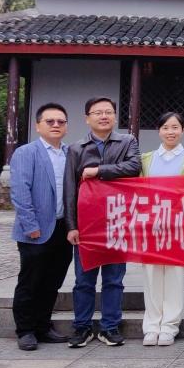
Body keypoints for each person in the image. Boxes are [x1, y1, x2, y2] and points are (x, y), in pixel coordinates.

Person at [64, 96, 142, 347]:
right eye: (98, 112)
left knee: (114, 280)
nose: (104, 116)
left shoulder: (127, 141)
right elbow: (69, 189)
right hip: (87, 224)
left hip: (117, 220)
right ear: (87, 118)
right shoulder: (76, 149)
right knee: (83, 281)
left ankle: (110, 326)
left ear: (115, 117)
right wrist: (71, 226)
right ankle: (82, 327)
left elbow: (134, 167)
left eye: (108, 112)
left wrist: (99, 171)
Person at [8, 103, 74, 351]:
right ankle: (25, 330)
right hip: (35, 230)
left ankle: (43, 326)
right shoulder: (26, 153)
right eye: (50, 121)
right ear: (38, 126)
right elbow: (20, 191)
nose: (56, 125)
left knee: (52, 281)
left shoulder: (70, 153)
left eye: (61, 121)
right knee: (30, 281)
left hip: (63, 228)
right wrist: (30, 225)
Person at [139, 112, 184, 346]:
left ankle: (170, 325)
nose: (170, 132)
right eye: (165, 127)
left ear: (183, 130)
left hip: (177, 225)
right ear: (159, 131)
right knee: (151, 276)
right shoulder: (146, 159)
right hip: (151, 225)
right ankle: (152, 325)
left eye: (175, 127)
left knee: (174, 275)